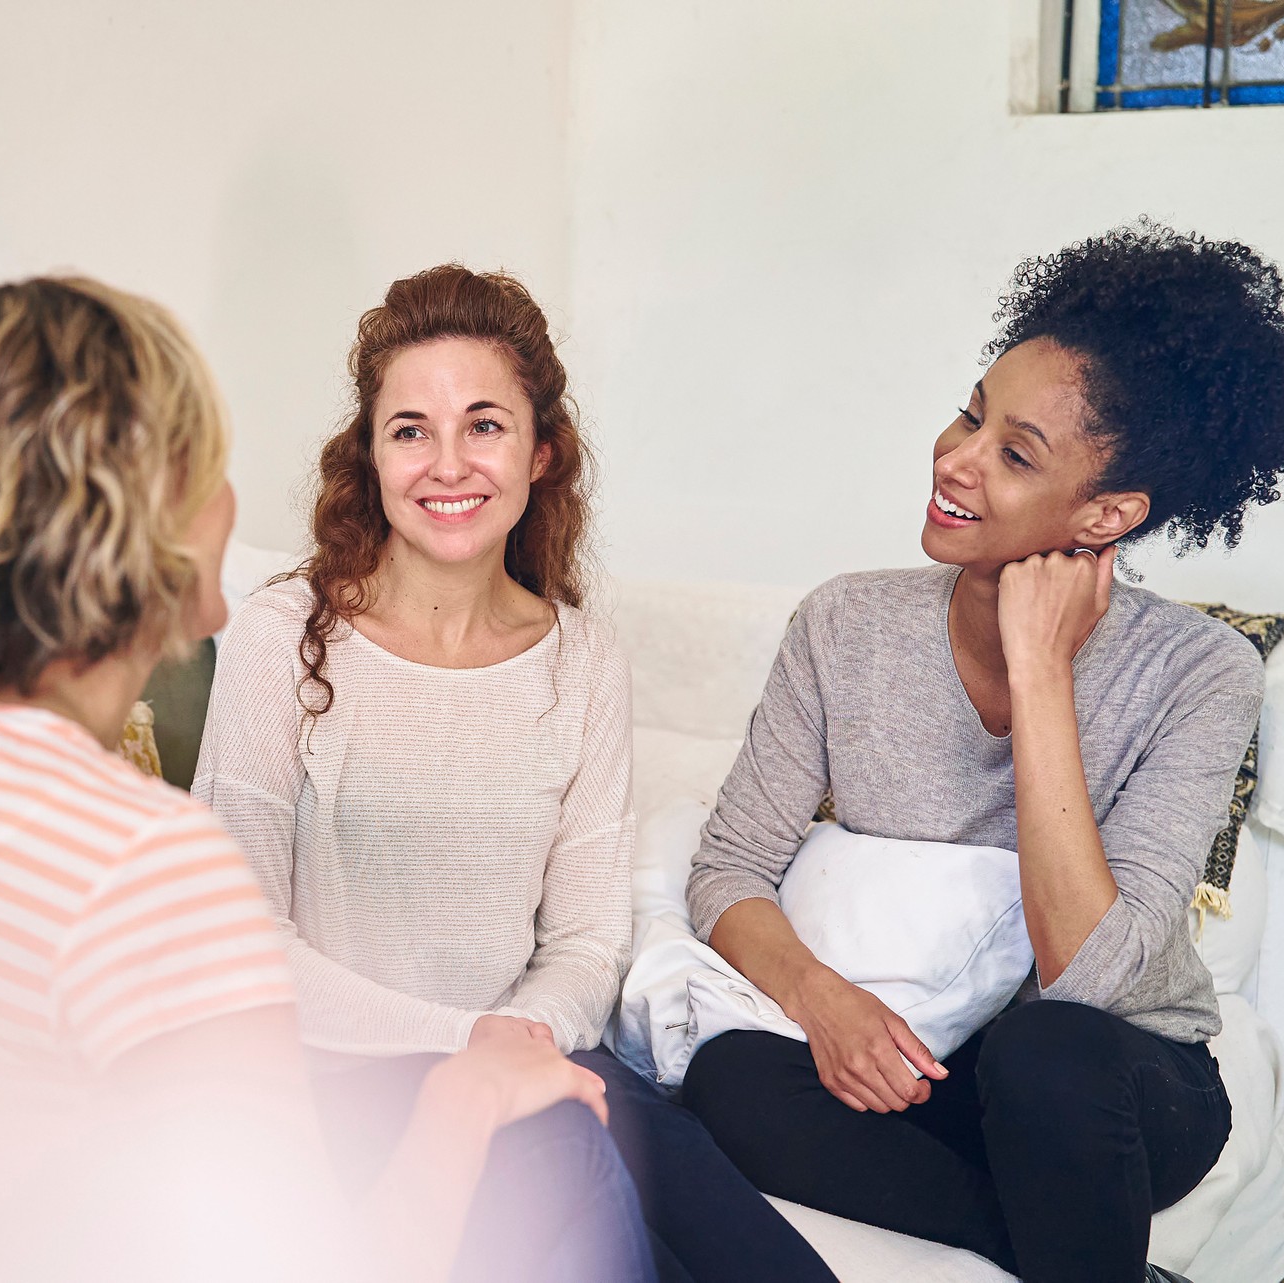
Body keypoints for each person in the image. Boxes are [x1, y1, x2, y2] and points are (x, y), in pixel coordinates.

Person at [0, 275, 648, 1283]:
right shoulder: (144, 867)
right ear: (144, 520)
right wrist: (466, 1090)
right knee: (567, 1151)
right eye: (209, 459)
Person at [680, 222, 1284, 1283]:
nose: (956, 458)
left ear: (1108, 513)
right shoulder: (844, 623)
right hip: (937, 1067)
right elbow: (727, 868)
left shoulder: (1203, 670)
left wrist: (1041, 669)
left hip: (1117, 1077)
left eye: (1014, 453)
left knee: (1043, 1052)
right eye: (971, 414)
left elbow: (1090, 972)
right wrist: (823, 998)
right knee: (729, 1077)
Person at [195, 263, 836, 1283]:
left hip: (543, 1056)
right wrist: (477, 1053)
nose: (447, 462)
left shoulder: (584, 660)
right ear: (369, 455)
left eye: (483, 424)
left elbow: (586, 934)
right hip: (339, 1075)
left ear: (543, 452)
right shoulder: (283, 636)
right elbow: (238, 941)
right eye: (410, 428)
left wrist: (519, 1046)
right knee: (575, 1176)